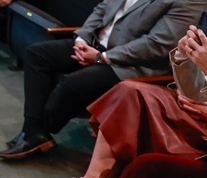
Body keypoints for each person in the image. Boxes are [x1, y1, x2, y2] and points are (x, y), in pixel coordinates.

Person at [0, 0, 207, 160]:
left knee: (71, 83)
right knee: (37, 53)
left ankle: (36, 130)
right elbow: (101, 10)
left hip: (131, 64)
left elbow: (157, 45)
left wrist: (101, 57)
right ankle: (34, 132)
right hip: (94, 45)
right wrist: (81, 39)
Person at [83, 24, 207, 178]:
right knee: (128, 92)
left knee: (146, 165)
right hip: (193, 107)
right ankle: (93, 175)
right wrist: (184, 55)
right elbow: (193, 92)